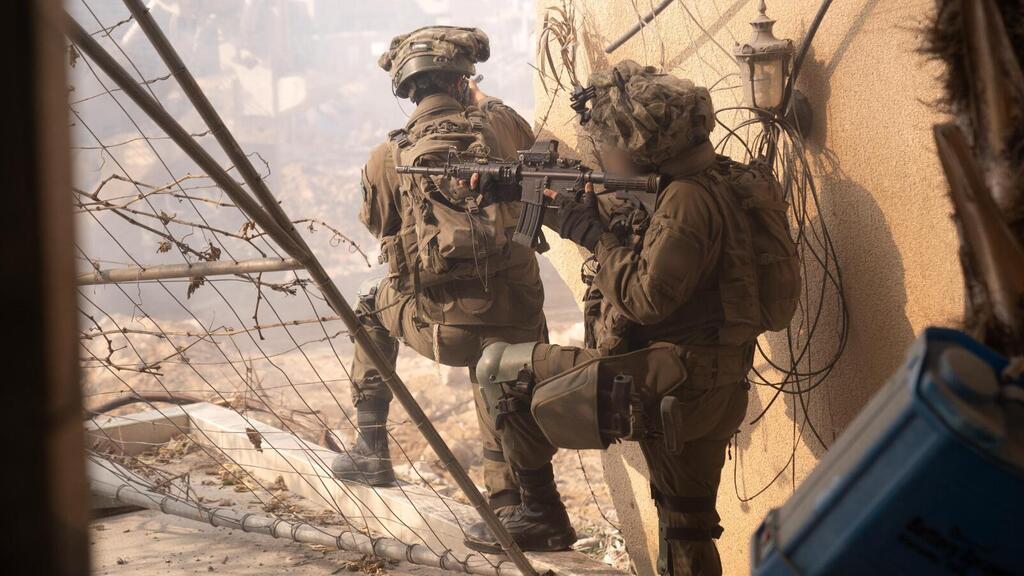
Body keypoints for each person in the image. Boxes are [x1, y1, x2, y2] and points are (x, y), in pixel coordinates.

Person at [464, 61, 800, 575]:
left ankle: (539, 511)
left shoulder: (685, 201)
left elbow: (645, 298)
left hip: (672, 384)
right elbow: (651, 248)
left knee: (499, 370)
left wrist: (591, 235)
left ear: (642, 144)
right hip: (713, 380)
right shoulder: (718, 178)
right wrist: (540, 202)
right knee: (685, 525)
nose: (604, 153)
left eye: (609, 141)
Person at [330, 26, 549, 518]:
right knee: (495, 369)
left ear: (407, 89)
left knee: (369, 301)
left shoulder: (387, 157)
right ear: (463, 81)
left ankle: (371, 449)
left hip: (445, 328)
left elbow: (379, 226)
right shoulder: (503, 125)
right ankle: (509, 501)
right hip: (520, 322)